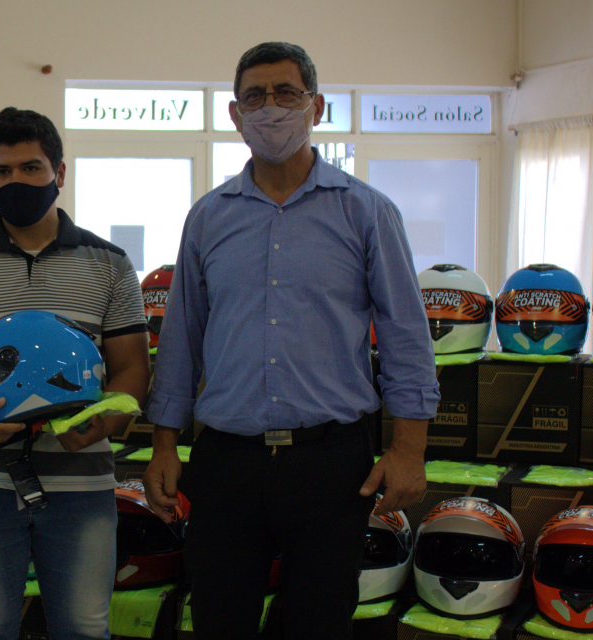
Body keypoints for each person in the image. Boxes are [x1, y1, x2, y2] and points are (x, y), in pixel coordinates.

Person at [142, 42, 439, 640]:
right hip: (226, 463)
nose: (270, 108)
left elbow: (406, 336)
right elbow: (181, 338)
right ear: (235, 115)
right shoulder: (208, 217)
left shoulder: (366, 212)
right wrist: (163, 445)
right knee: (219, 622)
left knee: (318, 624)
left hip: (330, 464)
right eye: (254, 97)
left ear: (316, 107)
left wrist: (409, 450)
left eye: (285, 93)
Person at [0, 107, 150, 640]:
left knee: (83, 630)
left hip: (83, 484)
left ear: (59, 173)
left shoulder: (110, 264)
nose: (16, 180)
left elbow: (133, 368)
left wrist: (106, 423)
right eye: (2, 171)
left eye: (31, 168)